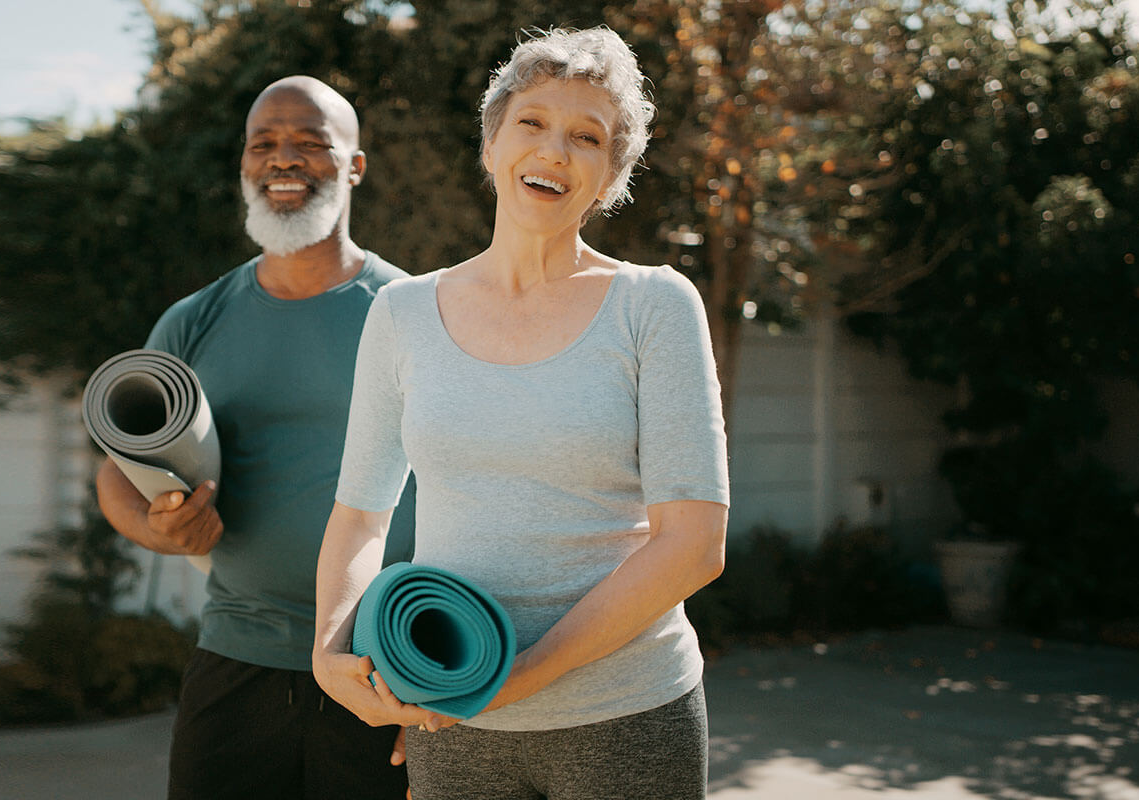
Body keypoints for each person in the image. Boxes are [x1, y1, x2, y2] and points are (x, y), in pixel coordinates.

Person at [311, 27, 730, 800]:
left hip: (628, 719)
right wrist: (330, 652)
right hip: (453, 722)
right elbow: (361, 516)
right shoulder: (401, 312)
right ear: (493, 143)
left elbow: (694, 545)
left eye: (587, 137)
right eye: (532, 122)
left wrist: (513, 679)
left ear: (609, 177)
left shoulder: (656, 306)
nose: (556, 150)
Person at [94, 75, 418, 800]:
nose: (284, 158)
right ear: (243, 164)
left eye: (311, 143)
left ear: (355, 166)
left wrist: (436, 674)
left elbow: (476, 491)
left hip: (382, 665)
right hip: (235, 660)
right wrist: (159, 529)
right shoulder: (194, 321)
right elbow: (116, 473)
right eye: (264, 143)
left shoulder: (416, 315)